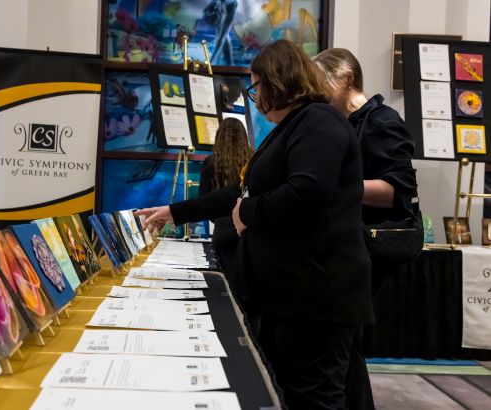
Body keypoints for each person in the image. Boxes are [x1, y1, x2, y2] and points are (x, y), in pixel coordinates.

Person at [137, 39, 374, 409]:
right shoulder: (295, 125)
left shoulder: (317, 121)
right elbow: (242, 190)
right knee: (291, 390)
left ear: (278, 81)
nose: (256, 97)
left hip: (316, 297)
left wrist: (247, 213)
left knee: (313, 396)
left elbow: (307, 191)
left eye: (256, 87)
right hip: (295, 294)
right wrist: (175, 211)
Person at [313, 47, 419, 410]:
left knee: (343, 338)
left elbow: (398, 191)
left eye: (321, 83)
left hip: (372, 244)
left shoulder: (381, 120)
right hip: (351, 244)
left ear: (345, 79)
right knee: (346, 341)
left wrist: (336, 186)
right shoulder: (345, 123)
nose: (317, 93)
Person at [198, 117, 252, 284]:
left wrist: (221, 220)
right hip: (249, 230)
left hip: (222, 231)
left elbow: (203, 201)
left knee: (225, 285)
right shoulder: (254, 159)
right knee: (248, 283)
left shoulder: (211, 162)